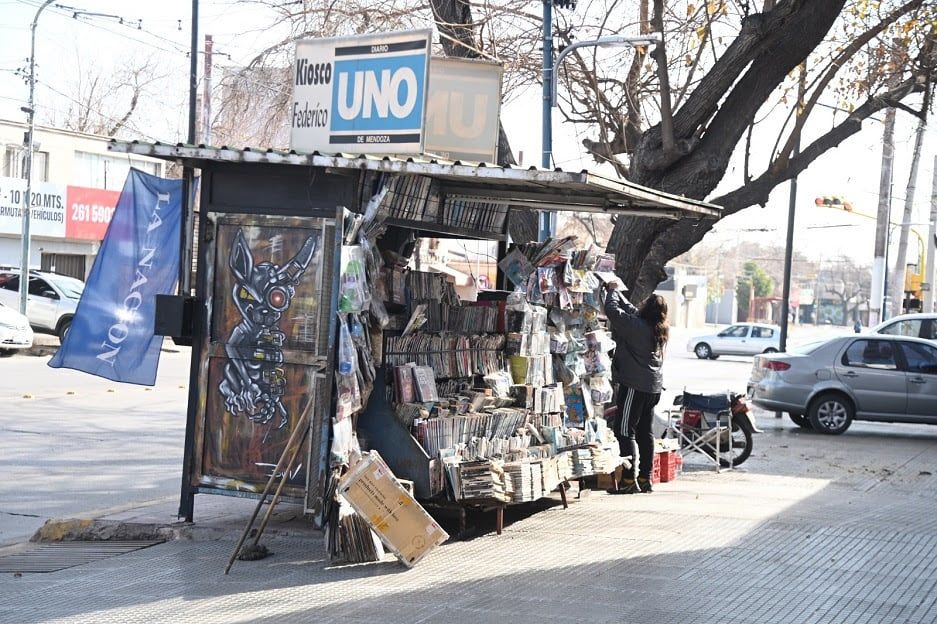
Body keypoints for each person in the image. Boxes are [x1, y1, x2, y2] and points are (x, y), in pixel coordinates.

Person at [604, 279, 668, 494]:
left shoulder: (636, 327)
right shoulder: (656, 327)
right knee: (644, 433)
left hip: (635, 386)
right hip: (652, 388)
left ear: (646, 309)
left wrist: (612, 292)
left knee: (624, 430)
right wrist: (619, 294)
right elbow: (630, 309)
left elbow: (612, 311)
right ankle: (645, 478)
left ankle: (629, 481)